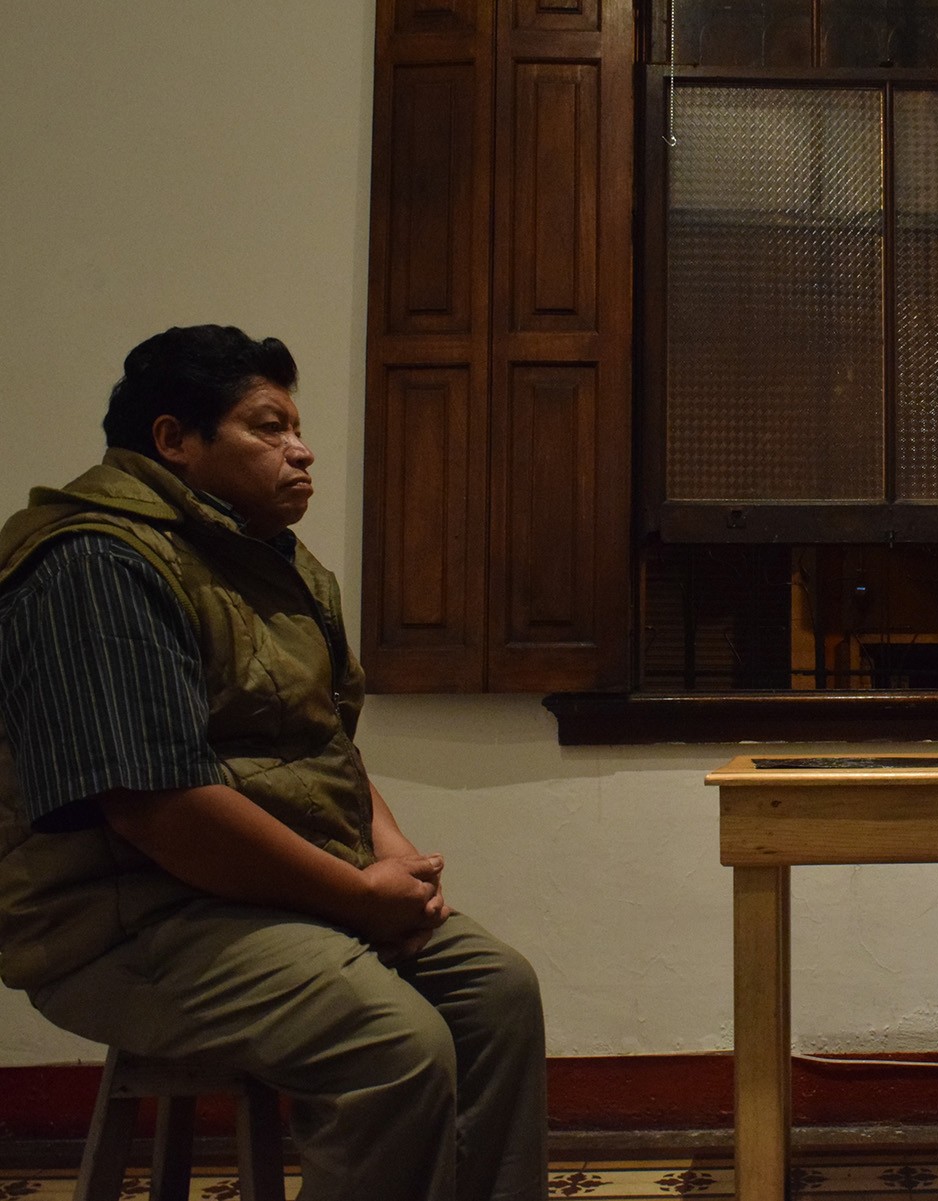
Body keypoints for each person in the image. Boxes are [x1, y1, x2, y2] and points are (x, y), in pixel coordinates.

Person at [0, 325, 547, 1201]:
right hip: (126, 916)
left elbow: (322, 739)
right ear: (174, 440)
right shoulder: (95, 564)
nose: (302, 449)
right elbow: (158, 808)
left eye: (296, 426)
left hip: (269, 894)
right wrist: (356, 896)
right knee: (393, 1044)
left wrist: (390, 849)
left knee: (496, 994)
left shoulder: (273, 564)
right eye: (268, 427)